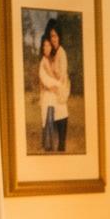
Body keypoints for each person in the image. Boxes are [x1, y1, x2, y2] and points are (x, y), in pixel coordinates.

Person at [36, 24, 68, 154]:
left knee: (61, 113)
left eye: (55, 36)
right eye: (51, 37)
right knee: (51, 118)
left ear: (59, 36)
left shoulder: (61, 52)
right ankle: (51, 144)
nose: (53, 39)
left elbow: (62, 75)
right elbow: (44, 76)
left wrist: (57, 84)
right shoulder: (49, 57)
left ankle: (60, 144)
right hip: (52, 93)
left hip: (59, 91)